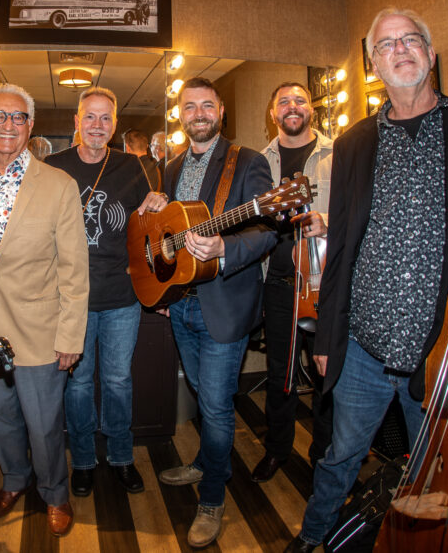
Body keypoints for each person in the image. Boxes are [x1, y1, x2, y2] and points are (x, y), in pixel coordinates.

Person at [286, 9, 448, 552]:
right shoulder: (353, 143)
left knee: (438, 472)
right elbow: (342, 248)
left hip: (441, 349)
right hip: (363, 346)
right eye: (387, 44)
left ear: (430, 55)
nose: (401, 50)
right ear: (374, 65)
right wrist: (327, 338)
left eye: (411, 39)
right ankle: (313, 536)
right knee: (340, 456)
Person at [147, 76, 277, 547]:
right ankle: (206, 461)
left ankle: (213, 497)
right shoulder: (171, 166)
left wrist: (224, 248)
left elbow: (267, 230)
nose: (198, 114)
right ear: (180, 114)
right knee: (204, 394)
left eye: (207, 105)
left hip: (225, 304)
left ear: (220, 111)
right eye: (190, 107)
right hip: (182, 304)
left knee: (217, 404)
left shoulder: (249, 161)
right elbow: (169, 235)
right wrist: (165, 286)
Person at [0, 83, 88, 537]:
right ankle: (14, 478)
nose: (8, 125)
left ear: (30, 126)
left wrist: (70, 336)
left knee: (44, 423)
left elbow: (74, 269)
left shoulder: (59, 185)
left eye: (18, 117)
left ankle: (54, 492)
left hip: (40, 330)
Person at [45, 88, 163, 499]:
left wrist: (158, 202)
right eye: (90, 117)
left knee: (117, 381)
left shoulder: (132, 166)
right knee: (77, 385)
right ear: (77, 122)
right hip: (69, 300)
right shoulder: (53, 167)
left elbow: (148, 225)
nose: (97, 125)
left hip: (120, 297)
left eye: (105, 118)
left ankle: (121, 456)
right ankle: (82, 460)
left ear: (114, 125)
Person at [253, 82, 334, 483]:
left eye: (300, 100)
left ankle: (324, 457)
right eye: (283, 101)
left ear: (311, 109)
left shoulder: (337, 154)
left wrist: (327, 222)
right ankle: (277, 449)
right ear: (273, 113)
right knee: (279, 375)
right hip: (278, 282)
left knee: (325, 374)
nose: (292, 106)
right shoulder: (259, 160)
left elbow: (359, 211)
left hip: (324, 286)